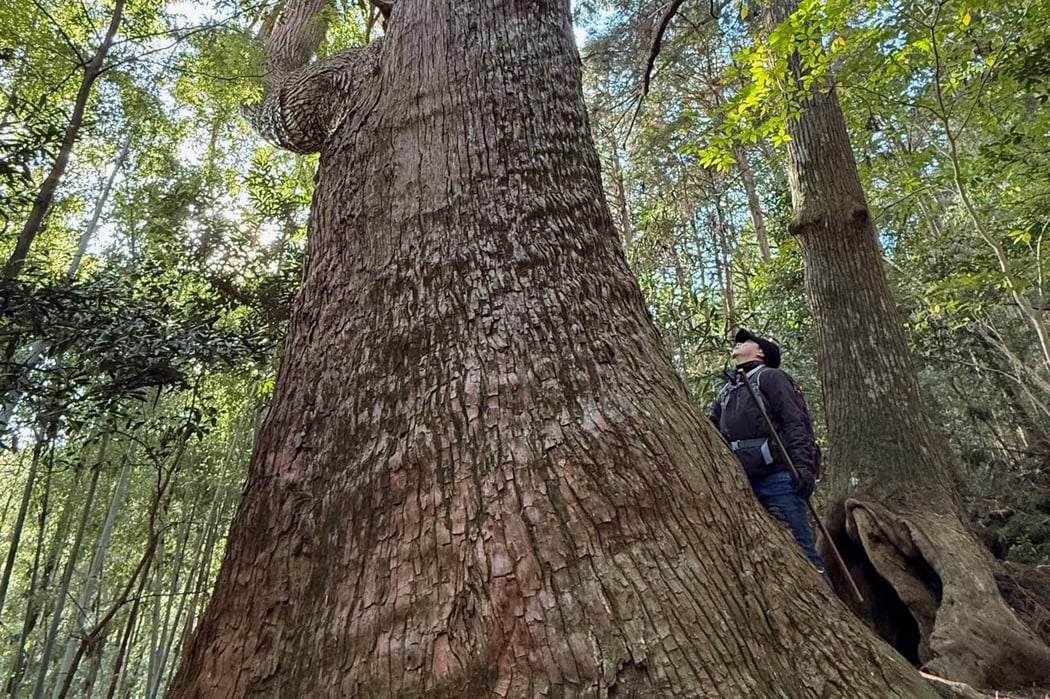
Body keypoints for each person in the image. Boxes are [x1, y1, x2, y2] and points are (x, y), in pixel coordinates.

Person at [710, 328, 827, 577]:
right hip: (739, 482)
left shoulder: (772, 378)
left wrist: (803, 467)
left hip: (777, 478)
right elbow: (711, 431)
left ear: (761, 352)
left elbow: (796, 422)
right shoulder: (726, 391)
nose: (739, 343)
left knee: (801, 551)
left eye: (746, 341)